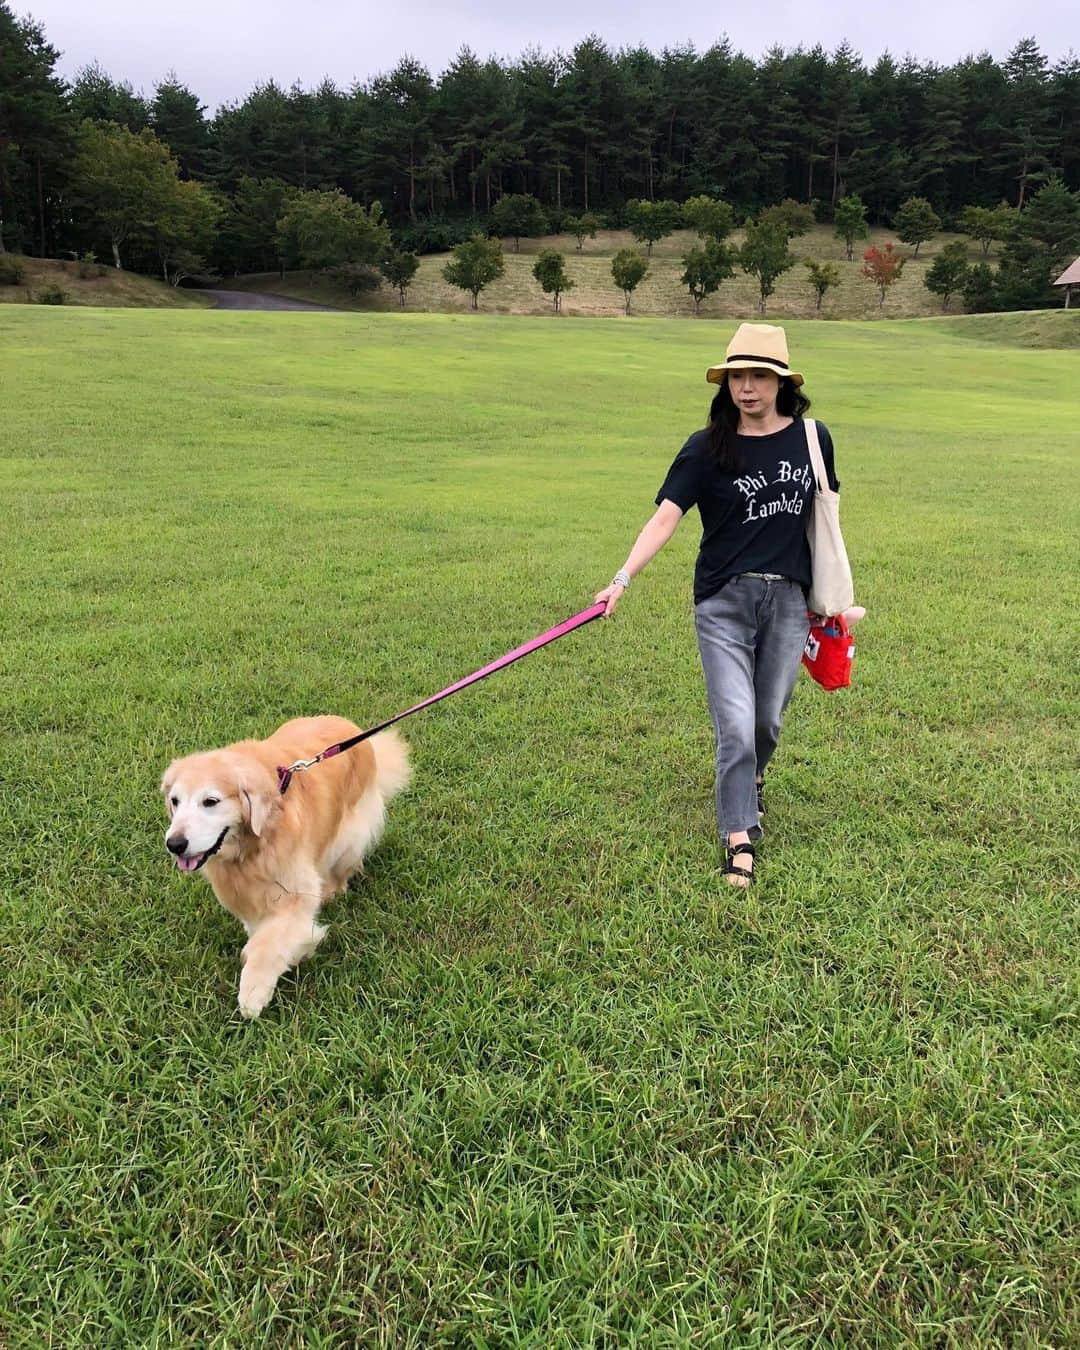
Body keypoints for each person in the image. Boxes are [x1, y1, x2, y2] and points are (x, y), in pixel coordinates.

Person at [594, 323, 839, 887]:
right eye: (737, 376)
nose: (747, 388)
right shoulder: (707, 447)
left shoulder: (812, 438)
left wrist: (831, 599)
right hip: (723, 601)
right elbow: (665, 518)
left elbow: (826, 521)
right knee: (734, 720)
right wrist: (622, 579)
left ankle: (749, 779)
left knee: (767, 721)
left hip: (789, 602)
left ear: (782, 382)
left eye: (758, 376)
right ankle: (739, 836)